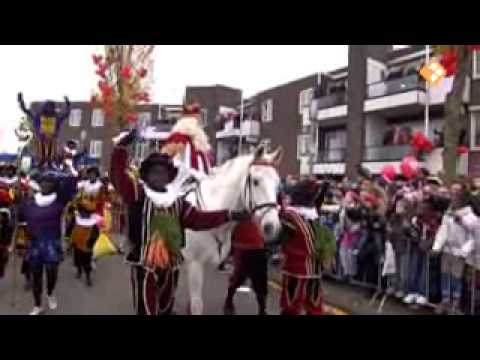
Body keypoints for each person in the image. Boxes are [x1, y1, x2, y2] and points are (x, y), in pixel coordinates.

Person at [110, 129, 250, 315]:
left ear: (169, 177)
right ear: (147, 175)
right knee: (147, 307)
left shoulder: (176, 202)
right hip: (145, 264)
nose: (159, 176)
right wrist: (120, 149)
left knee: (166, 306)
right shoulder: (138, 194)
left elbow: (198, 220)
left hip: (170, 264)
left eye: (163, 173)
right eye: (154, 172)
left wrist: (229, 215)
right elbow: (118, 176)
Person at [18, 170, 77, 315]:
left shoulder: (59, 202)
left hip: (52, 243)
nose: (45, 184)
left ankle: (50, 293)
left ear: (54, 186)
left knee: (51, 274)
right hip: (35, 244)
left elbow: (71, 182)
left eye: (49, 182)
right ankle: (37, 305)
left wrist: (62, 170)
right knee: (36, 276)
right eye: (43, 182)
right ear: (39, 184)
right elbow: (21, 219)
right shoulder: (29, 202)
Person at [277, 180, 335, 315]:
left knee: (305, 304)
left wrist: (323, 189)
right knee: (297, 304)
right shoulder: (293, 215)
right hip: (300, 266)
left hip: (305, 267)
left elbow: (317, 202)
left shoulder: (292, 214)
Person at [432, 181, 477, 315]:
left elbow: (473, 234)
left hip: (459, 252)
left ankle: (455, 304)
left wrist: (464, 251)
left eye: (457, 195)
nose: (454, 197)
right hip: (447, 250)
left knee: (456, 278)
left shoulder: (470, 215)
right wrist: (437, 247)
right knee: (445, 275)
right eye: (453, 194)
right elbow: (443, 230)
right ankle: (445, 301)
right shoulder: (449, 213)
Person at [223, 219, 268, 315]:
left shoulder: (258, 213)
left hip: (258, 247)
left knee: (260, 282)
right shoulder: (236, 212)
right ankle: (228, 301)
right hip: (242, 248)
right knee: (238, 278)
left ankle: (262, 310)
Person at [161, 100, 212, 179]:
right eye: (195, 116)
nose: (197, 119)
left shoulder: (198, 141)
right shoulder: (178, 137)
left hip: (203, 182)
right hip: (186, 183)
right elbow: (166, 158)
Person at [17, 93, 71, 169]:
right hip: (42, 138)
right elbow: (26, 111)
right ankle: (42, 162)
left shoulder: (56, 117)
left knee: (51, 149)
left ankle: (50, 162)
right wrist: (21, 101)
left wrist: (68, 104)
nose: (49, 109)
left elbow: (66, 114)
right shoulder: (39, 116)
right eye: (48, 107)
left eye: (51, 107)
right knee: (42, 150)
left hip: (52, 138)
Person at [70, 198, 100, 286]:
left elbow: (95, 234)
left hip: (86, 245)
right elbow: (72, 230)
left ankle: (87, 276)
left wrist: (90, 243)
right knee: (78, 259)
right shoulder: (76, 219)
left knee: (86, 261)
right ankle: (79, 271)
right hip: (77, 243)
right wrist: (72, 241)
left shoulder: (93, 223)